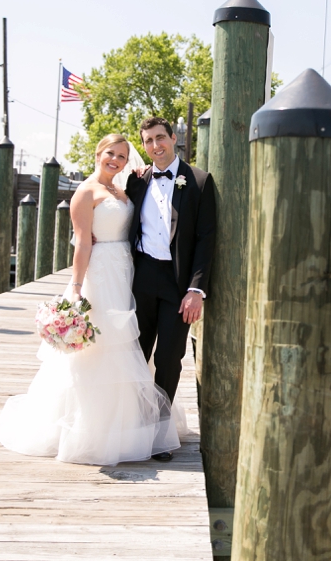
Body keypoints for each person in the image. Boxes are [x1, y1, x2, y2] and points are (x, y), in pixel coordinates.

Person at [0, 133, 179, 466]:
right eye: (111, 153)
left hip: (126, 272)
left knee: (126, 344)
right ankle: (93, 430)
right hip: (99, 274)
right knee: (98, 347)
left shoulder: (121, 190)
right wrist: (76, 287)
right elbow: (81, 244)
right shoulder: (86, 192)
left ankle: (127, 427)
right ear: (98, 154)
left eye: (123, 156)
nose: (117, 160)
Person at [126, 116, 216, 463]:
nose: (155, 146)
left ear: (174, 138)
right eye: (148, 141)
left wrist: (197, 290)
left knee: (168, 358)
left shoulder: (199, 182)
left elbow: (206, 240)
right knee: (135, 355)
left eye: (160, 138)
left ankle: (160, 433)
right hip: (142, 279)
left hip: (179, 286)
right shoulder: (137, 182)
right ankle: (135, 427)